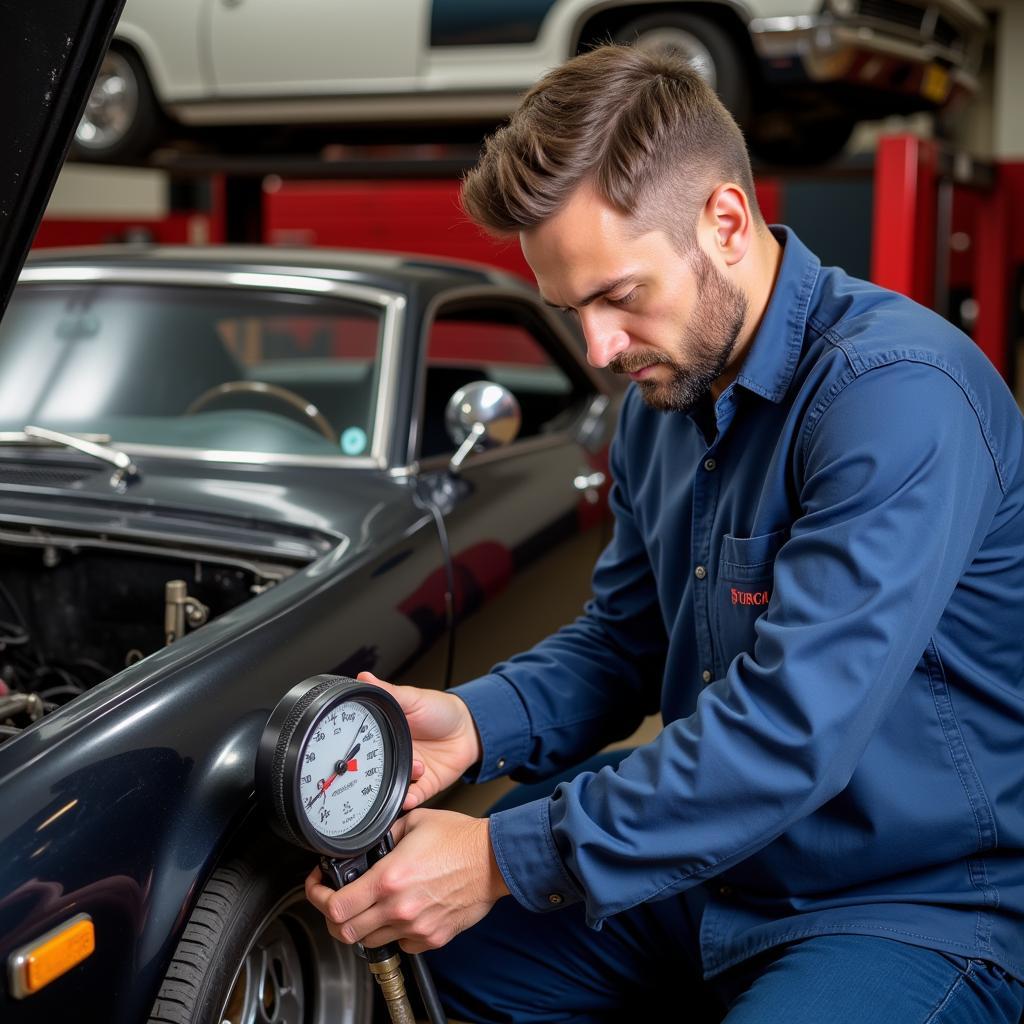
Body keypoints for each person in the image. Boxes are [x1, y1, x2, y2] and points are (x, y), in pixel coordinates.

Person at [305, 44, 1024, 1023]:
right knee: (402, 965)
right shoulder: (661, 401)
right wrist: (475, 721)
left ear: (725, 221)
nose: (598, 350)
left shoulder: (894, 398)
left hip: (910, 896)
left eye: (617, 297)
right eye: (572, 310)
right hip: (716, 861)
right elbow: (626, 640)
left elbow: (785, 732)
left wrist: (504, 854)